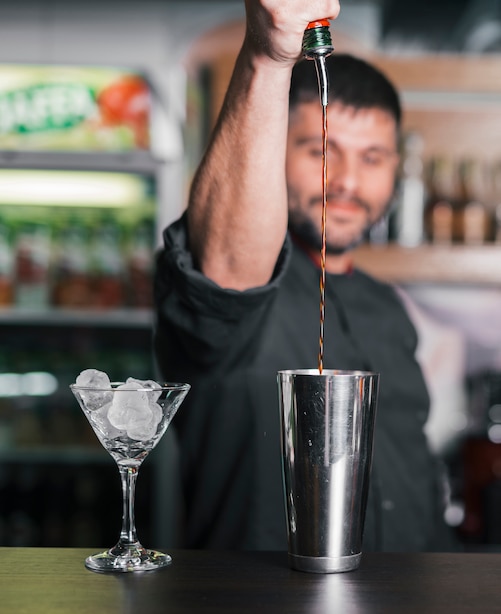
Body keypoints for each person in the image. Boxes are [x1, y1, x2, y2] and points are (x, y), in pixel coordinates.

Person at [153, 0, 456, 551]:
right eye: (321, 149)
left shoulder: (387, 307)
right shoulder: (244, 285)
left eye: (372, 157)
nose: (346, 181)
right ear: (276, 154)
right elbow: (227, 270)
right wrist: (269, 58)